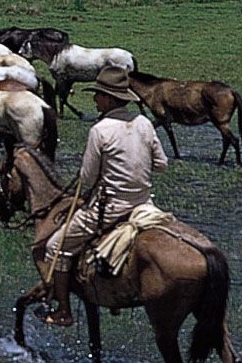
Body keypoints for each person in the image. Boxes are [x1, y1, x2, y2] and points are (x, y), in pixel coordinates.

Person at [41, 65, 168, 327]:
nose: (95, 99)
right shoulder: (143, 123)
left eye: (98, 94)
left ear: (109, 99)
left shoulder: (100, 130)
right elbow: (161, 164)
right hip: (143, 205)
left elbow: (87, 179)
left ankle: (64, 311)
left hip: (110, 209)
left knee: (56, 247)